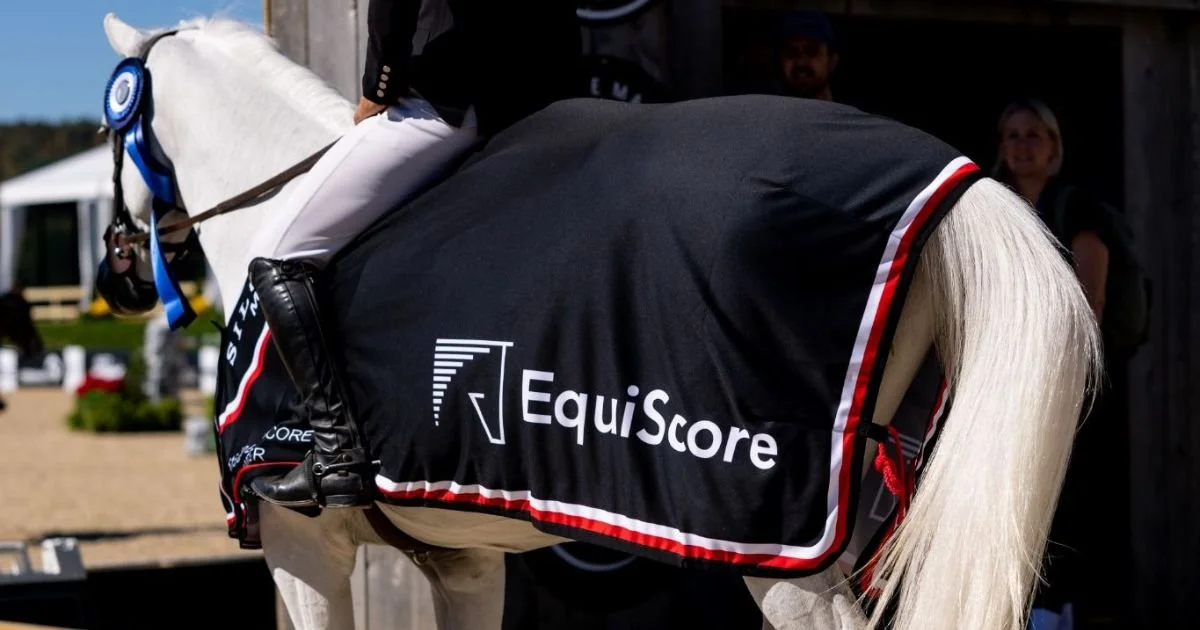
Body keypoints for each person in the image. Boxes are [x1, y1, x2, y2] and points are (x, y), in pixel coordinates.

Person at [245, 0, 583, 510]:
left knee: (278, 252)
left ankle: (338, 453)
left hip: (452, 99)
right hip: (543, 99)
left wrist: (373, 92)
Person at [993, 98, 1129, 629]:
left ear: (1054, 148)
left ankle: (1055, 614)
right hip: (1004, 382)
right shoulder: (996, 208)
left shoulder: (1077, 208)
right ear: (1000, 148)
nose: (1023, 145)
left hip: (1061, 384)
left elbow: (1089, 300)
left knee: (1060, 502)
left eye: (1034, 136)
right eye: (1013, 136)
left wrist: (1061, 378)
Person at [776, 10, 839, 102]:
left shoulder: (852, 114)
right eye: (791, 52)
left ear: (832, 61)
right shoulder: (765, 112)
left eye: (812, 51)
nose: (800, 62)